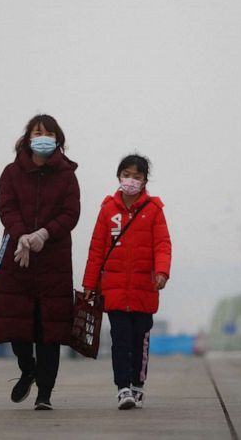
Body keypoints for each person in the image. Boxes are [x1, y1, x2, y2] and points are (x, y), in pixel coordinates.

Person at [0, 114, 81, 411]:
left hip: (53, 263)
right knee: (17, 326)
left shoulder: (67, 175)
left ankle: (45, 392)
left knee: (49, 330)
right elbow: (6, 207)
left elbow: (71, 213)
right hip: (19, 259)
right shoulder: (11, 173)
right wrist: (22, 236)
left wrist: (45, 233)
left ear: (58, 138)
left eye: (48, 132)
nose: (42, 136)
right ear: (28, 137)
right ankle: (27, 368)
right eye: (37, 132)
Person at [82, 154, 172, 410]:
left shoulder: (154, 210)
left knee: (139, 340)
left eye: (137, 176)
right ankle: (123, 388)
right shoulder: (108, 210)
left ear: (145, 181)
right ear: (119, 176)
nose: (131, 180)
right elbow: (96, 250)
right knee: (120, 340)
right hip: (115, 291)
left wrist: (162, 272)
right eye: (127, 174)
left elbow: (163, 244)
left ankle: (137, 385)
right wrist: (89, 285)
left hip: (145, 289)